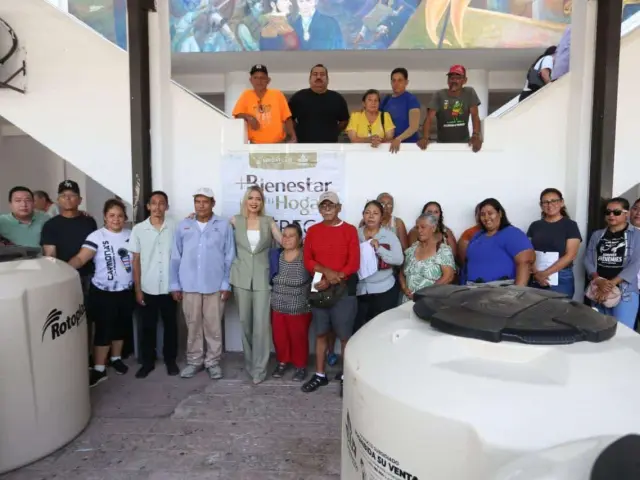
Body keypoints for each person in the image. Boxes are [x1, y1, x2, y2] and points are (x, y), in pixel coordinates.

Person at [68, 198, 134, 387]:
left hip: (126, 291)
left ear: (125, 218)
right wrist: (63, 269)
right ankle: (99, 369)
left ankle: (116, 358)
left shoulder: (131, 235)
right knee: (103, 330)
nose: (116, 219)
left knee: (120, 327)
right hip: (103, 292)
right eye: (112, 215)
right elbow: (81, 258)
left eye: (120, 216)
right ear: (105, 217)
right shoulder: (97, 236)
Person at [170, 188, 235, 380]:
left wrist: (226, 284)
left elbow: (230, 256)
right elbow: (175, 256)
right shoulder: (184, 225)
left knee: (213, 327)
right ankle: (194, 361)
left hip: (215, 285)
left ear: (213, 203)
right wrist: (175, 284)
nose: (201, 205)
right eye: (197, 201)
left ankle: (212, 362)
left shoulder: (223, 225)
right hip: (189, 285)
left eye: (205, 201)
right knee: (193, 326)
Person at [302, 191, 359, 396]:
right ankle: (320, 374)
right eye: (323, 206)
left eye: (331, 205)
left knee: (344, 336)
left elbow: (353, 263)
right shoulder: (313, 231)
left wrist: (334, 278)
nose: (327, 209)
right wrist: (327, 273)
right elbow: (308, 260)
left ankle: (344, 376)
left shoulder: (350, 230)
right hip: (320, 286)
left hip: (343, 288)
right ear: (319, 209)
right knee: (320, 333)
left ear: (339, 208)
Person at [230, 186, 283, 384]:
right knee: (245, 324)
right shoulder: (235, 221)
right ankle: (250, 364)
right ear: (245, 200)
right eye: (251, 198)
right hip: (241, 278)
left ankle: (260, 369)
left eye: (258, 199)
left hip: (262, 278)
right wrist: (194, 219)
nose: (254, 202)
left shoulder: (268, 221)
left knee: (261, 326)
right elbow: (217, 235)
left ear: (262, 203)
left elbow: (283, 241)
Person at [41, 180, 98, 361]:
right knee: (66, 319)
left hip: (88, 276)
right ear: (58, 199)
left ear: (79, 200)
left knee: (88, 318)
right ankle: (70, 357)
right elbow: (50, 255)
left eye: (72, 195)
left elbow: (94, 248)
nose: (68, 198)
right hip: (63, 279)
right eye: (63, 195)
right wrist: (60, 276)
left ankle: (88, 356)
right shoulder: (51, 225)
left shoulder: (89, 221)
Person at [128, 191, 179, 378]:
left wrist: (178, 285)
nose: (158, 207)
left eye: (161, 203)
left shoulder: (175, 227)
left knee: (171, 326)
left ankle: (170, 360)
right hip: (148, 286)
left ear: (167, 206)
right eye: (154, 203)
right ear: (148, 206)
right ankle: (147, 363)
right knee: (147, 327)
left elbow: (180, 256)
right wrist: (138, 289)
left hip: (169, 287)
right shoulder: (138, 229)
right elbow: (135, 260)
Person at [584, 198, 640, 330]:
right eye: (608, 212)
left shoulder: (637, 235)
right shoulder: (597, 235)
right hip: (598, 289)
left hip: (625, 292)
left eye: (616, 212)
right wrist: (598, 280)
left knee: (622, 332)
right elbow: (588, 259)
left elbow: (635, 263)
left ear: (626, 214)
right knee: (599, 330)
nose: (611, 215)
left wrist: (610, 285)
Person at [270, 223, 312, 381]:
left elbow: (309, 278)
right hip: (278, 305)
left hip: (299, 306)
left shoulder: (305, 256)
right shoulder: (276, 255)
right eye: (284, 235)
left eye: (292, 236)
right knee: (280, 338)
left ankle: (300, 366)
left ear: (300, 239)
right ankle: (282, 362)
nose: (287, 239)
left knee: (298, 338)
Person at [355, 200, 403, 330]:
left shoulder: (389, 236)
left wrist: (379, 248)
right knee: (360, 330)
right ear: (363, 215)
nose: (371, 216)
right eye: (367, 212)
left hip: (384, 290)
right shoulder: (355, 234)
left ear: (381, 217)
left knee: (381, 330)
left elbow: (399, 259)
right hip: (360, 290)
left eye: (375, 213)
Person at [464, 198, 535, 286]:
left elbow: (525, 262)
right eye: (482, 214)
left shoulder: (512, 233)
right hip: (473, 288)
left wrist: (517, 291)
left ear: (500, 213)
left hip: (501, 288)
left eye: (490, 213)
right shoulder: (477, 235)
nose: (486, 217)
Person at [527, 188, 582, 298]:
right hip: (536, 275)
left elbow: (571, 255)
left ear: (561, 202)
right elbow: (528, 252)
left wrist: (545, 274)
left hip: (561, 276)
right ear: (541, 205)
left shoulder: (570, 225)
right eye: (545, 202)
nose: (550, 205)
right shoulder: (535, 226)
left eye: (554, 201)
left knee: (560, 308)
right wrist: (536, 273)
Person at [418, 64, 482, 152]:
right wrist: (425, 137)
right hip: (442, 145)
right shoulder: (439, 95)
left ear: (465, 80)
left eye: (458, 78)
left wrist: (475, 135)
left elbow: (475, 116)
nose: (454, 80)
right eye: (451, 78)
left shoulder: (469, 93)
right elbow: (429, 118)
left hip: (464, 145)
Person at [232, 64, 297, 144]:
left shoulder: (277, 94)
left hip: (278, 143)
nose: (259, 81)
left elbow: (287, 117)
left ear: (268, 80)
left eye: (262, 78)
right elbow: (237, 114)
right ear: (251, 80)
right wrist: (249, 117)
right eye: (255, 78)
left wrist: (292, 136)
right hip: (255, 144)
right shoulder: (246, 95)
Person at [399, 213, 456, 302]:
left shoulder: (442, 250)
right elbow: (402, 273)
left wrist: (425, 293)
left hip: (431, 301)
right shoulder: (412, 249)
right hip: (408, 301)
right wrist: (405, 288)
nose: (419, 230)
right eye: (417, 227)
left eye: (423, 227)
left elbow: (448, 277)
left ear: (433, 228)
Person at [288, 64, 350, 143]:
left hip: (330, 145)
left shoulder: (337, 98)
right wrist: (298, 131)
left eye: (322, 74)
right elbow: (289, 119)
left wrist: (333, 131)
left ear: (327, 80)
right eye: (315, 74)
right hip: (303, 145)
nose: (318, 77)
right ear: (309, 79)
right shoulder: (298, 97)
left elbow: (344, 121)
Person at [380, 67, 421, 153]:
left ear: (406, 82)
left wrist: (398, 139)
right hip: (389, 147)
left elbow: (414, 127)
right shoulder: (386, 100)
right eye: (394, 80)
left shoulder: (411, 99)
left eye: (400, 80)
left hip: (409, 147)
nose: (396, 83)